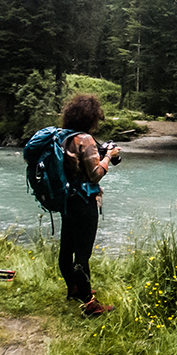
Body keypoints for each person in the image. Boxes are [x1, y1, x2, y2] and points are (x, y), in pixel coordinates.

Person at [59, 93, 120, 316]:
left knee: (66, 248)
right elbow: (94, 175)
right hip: (84, 202)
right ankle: (90, 304)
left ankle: (73, 288)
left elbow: (74, 166)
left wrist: (100, 153)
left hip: (67, 200)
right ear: (91, 117)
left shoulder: (63, 137)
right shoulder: (85, 139)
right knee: (82, 254)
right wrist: (108, 156)